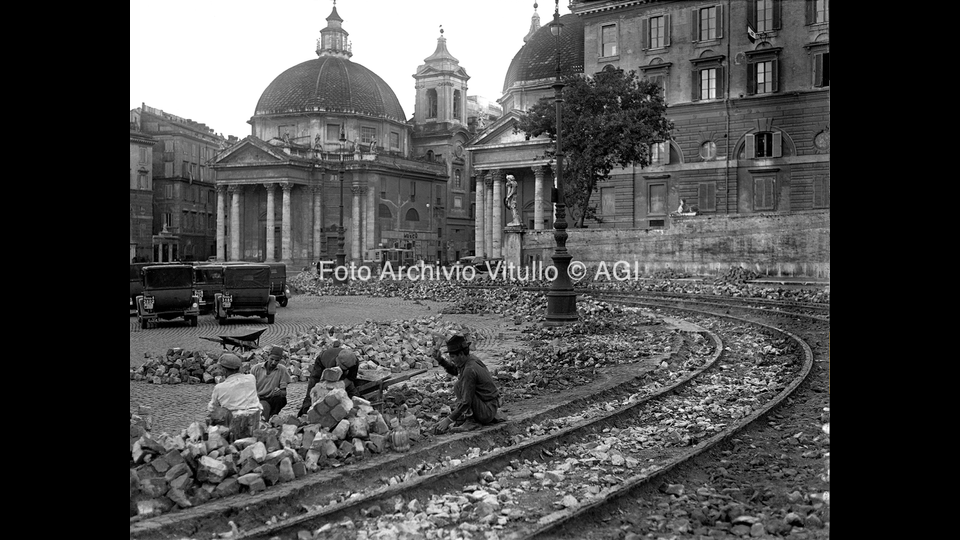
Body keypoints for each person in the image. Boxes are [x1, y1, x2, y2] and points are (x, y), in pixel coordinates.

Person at [432, 335, 502, 434]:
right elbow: (455, 370)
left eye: (452, 357)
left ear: (461, 354)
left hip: (487, 411)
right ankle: (466, 418)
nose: (452, 360)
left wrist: (448, 420)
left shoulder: (469, 369)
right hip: (488, 406)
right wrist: (440, 360)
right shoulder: (469, 359)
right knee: (458, 385)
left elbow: (466, 402)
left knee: (461, 386)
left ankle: (472, 421)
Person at [297, 342, 361, 416]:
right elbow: (327, 384)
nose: (337, 366)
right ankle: (304, 413)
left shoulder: (354, 363)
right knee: (313, 391)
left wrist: (341, 386)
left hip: (343, 369)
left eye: (341, 367)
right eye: (338, 364)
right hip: (321, 363)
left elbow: (351, 378)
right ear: (337, 359)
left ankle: (355, 410)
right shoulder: (330, 363)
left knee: (352, 392)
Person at [207, 353, 262, 417]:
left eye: (220, 368)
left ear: (224, 371)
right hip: (255, 418)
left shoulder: (219, 387)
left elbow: (212, 407)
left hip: (234, 421)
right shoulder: (251, 378)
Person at [251, 345, 292, 421]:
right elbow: (249, 388)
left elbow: (284, 393)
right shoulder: (256, 369)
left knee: (280, 399)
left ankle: (272, 417)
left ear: (280, 360)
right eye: (271, 359)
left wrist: (279, 392)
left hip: (271, 399)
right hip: (257, 398)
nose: (273, 363)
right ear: (267, 357)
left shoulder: (282, 370)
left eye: (277, 361)